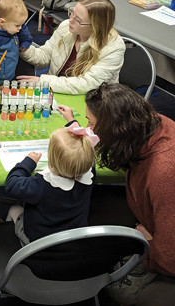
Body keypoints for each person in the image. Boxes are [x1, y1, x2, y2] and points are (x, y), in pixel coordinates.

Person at [58, 83, 175, 305]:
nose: (88, 128)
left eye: (91, 123)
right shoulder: (147, 124)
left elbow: (171, 259)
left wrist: (146, 240)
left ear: (114, 129)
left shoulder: (164, 171)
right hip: (151, 216)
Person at [4, 125, 97, 245]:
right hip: (73, 241)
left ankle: (10, 240)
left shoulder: (41, 185)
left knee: (14, 209)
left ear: (52, 160)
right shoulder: (90, 175)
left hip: (39, 245)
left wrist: (28, 163)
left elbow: (11, 184)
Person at [17, 0, 125, 94]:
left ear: (96, 26)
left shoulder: (113, 46)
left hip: (90, 99)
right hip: (55, 91)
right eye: (72, 13)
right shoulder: (66, 28)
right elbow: (44, 56)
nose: (70, 20)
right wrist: (22, 47)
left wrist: (43, 81)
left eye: (78, 19)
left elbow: (87, 84)